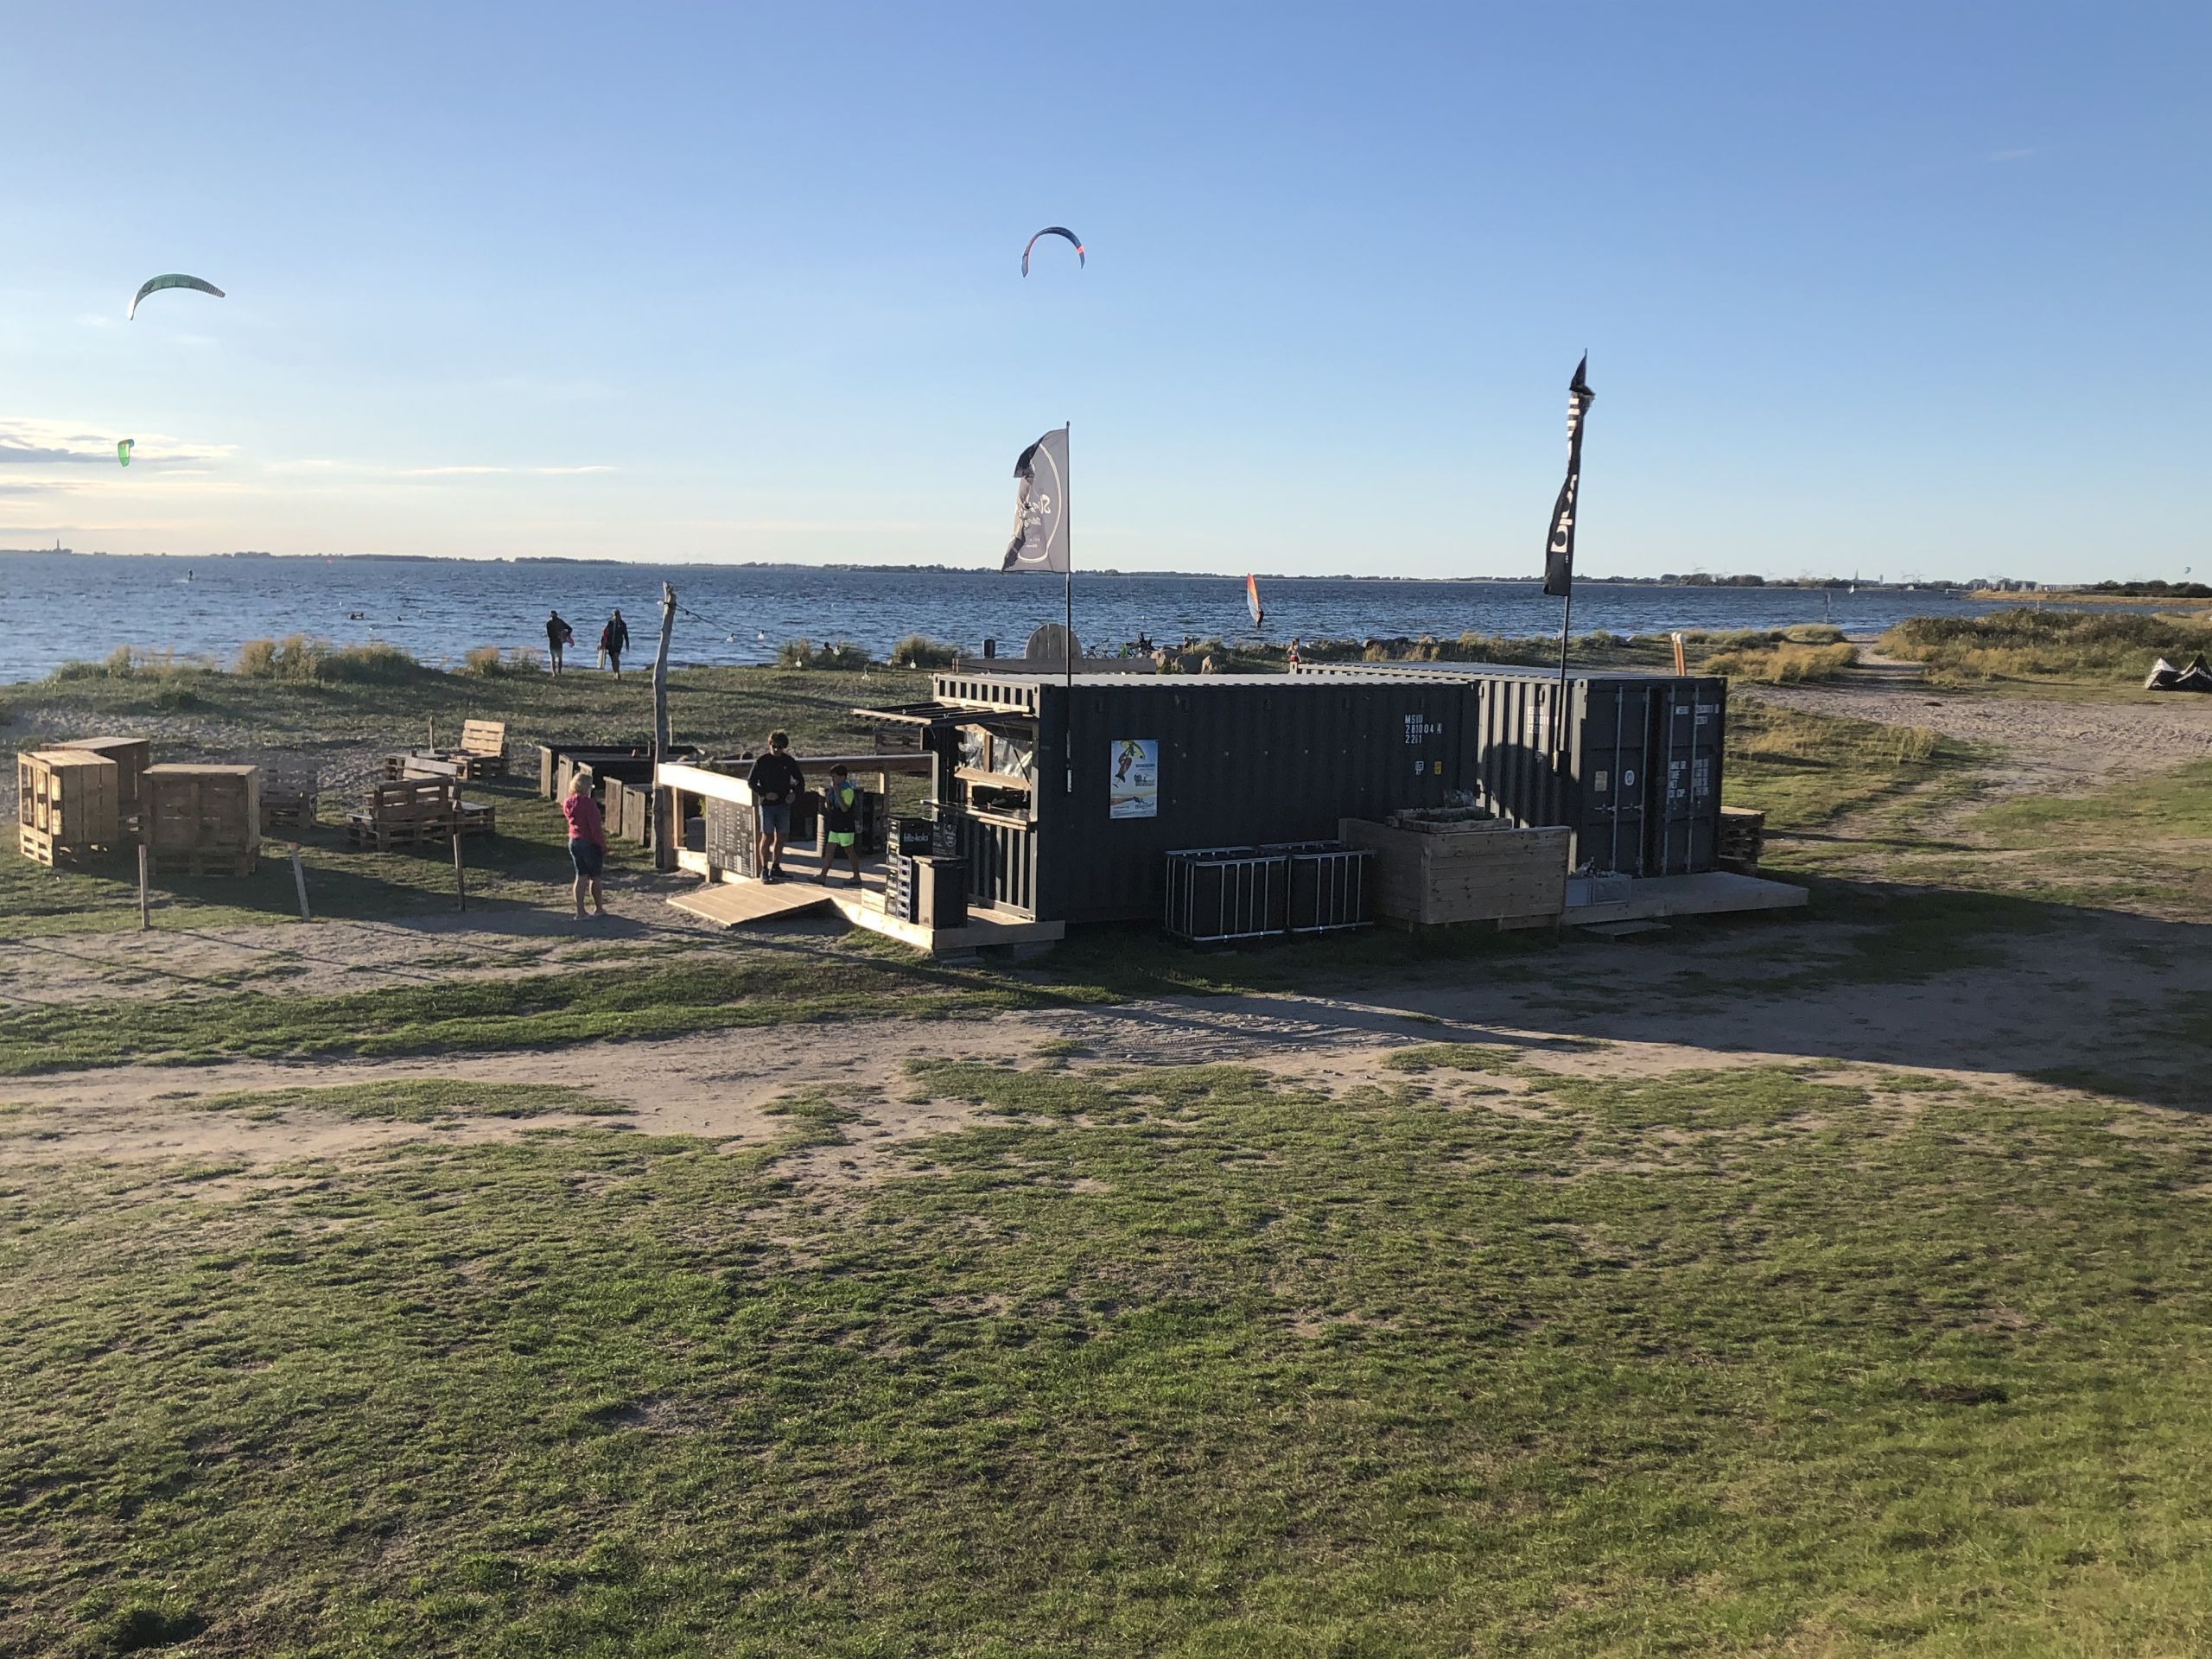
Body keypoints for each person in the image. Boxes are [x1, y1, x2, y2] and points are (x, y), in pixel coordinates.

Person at [746, 730, 804, 883]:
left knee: (782, 836)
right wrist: (764, 794)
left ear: (784, 747)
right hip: (767, 806)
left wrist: (794, 794)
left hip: (783, 804)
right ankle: (764, 869)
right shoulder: (762, 761)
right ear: (769, 744)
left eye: (780, 747)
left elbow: (800, 781)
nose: (776, 749)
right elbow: (751, 782)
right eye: (774, 746)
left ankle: (776, 866)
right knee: (767, 835)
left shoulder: (789, 761)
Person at [562, 772, 607, 918]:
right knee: (595, 876)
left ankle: (580, 910)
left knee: (580, 875)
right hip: (589, 841)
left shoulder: (568, 802)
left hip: (574, 840)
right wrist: (602, 845)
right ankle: (599, 908)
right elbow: (595, 827)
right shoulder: (588, 803)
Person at [817, 764, 863, 887]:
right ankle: (822, 875)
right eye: (832, 778)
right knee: (829, 849)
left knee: (849, 850)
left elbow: (844, 808)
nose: (833, 780)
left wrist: (838, 794)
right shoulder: (833, 790)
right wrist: (828, 797)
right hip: (835, 824)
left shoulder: (847, 790)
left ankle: (856, 876)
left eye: (835, 777)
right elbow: (828, 807)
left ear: (843, 777)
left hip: (845, 824)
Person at [600, 609, 630, 678]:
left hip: (618, 644)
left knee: (616, 657)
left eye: (617, 615)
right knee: (613, 660)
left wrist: (627, 645)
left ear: (620, 616)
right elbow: (604, 634)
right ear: (613, 616)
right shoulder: (610, 623)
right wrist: (602, 643)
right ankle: (615, 673)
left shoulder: (623, 624)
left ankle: (618, 673)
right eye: (614, 616)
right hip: (610, 644)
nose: (616, 617)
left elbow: (626, 635)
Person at [546, 609, 575, 675]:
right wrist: (565, 635)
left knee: (554, 658)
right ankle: (558, 672)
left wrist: (565, 636)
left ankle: (555, 673)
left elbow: (549, 635)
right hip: (558, 641)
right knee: (559, 658)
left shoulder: (549, 623)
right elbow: (570, 629)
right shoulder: (560, 622)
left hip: (553, 641)